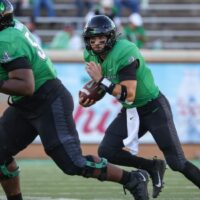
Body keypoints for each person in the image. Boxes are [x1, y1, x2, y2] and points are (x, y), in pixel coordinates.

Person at [0, 1, 150, 200]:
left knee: (73, 163)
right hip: (26, 104)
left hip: (47, 101)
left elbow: (27, 85)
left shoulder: (6, 40)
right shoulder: (11, 29)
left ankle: (132, 179)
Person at [80, 15, 200, 198]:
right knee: (107, 150)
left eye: (101, 39)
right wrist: (94, 94)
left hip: (153, 107)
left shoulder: (125, 51)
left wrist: (100, 81)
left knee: (177, 162)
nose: (96, 43)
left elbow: (128, 94)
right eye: (92, 39)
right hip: (132, 111)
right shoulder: (89, 55)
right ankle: (152, 166)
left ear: (111, 37)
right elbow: (109, 81)